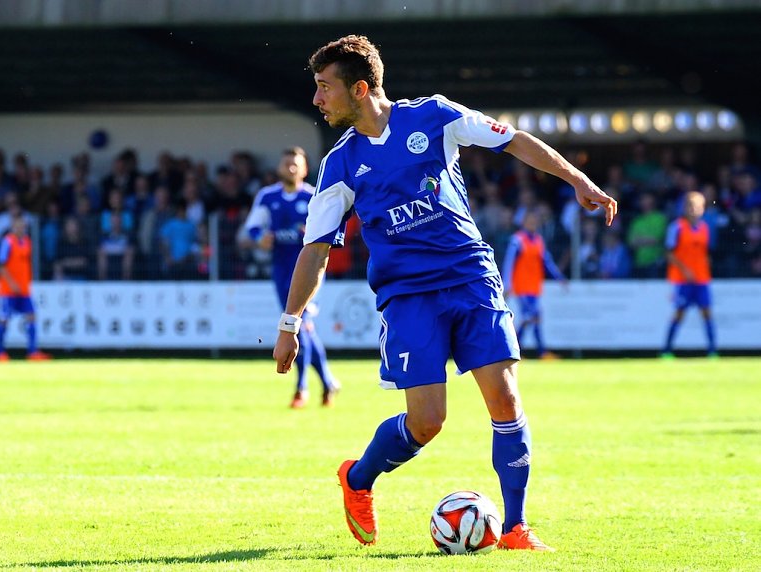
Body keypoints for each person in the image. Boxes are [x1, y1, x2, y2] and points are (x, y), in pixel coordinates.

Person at [272, 35, 616, 551]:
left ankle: (517, 527)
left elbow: (512, 139)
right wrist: (290, 323)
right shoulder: (339, 164)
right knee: (428, 422)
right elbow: (315, 248)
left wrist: (576, 178)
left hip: (471, 277)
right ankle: (358, 478)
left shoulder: (433, 116)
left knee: (504, 397)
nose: (317, 99)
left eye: (325, 88)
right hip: (409, 297)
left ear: (360, 89)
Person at [245, 147, 340, 408]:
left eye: (295, 164)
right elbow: (252, 227)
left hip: (309, 273)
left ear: (305, 169)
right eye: (286, 163)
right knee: (303, 328)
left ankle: (302, 388)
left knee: (299, 325)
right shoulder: (268, 196)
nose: (290, 168)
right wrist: (259, 238)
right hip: (281, 271)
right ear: (279, 168)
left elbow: (329, 228)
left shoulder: (313, 196)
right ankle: (328, 382)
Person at [502, 211, 567, 359]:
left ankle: (522, 352)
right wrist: (507, 283)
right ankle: (537, 352)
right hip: (522, 286)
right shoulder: (517, 240)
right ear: (523, 223)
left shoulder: (538, 240)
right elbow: (509, 263)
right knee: (532, 316)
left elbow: (547, 262)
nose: (532, 224)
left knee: (531, 318)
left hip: (534, 287)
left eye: (534, 222)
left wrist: (559, 278)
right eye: (530, 221)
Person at [661, 191, 716, 358]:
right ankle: (667, 350)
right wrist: (685, 270)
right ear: (685, 208)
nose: (694, 210)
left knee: (707, 313)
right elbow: (669, 253)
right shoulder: (676, 227)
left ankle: (712, 351)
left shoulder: (705, 228)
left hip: (701, 279)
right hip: (682, 280)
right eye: (691, 206)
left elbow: (704, 253)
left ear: (703, 209)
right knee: (679, 313)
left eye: (698, 207)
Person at [0, 216, 50, 361]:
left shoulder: (27, 242)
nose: (21, 229)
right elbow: (1, 266)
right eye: (18, 226)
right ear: (13, 227)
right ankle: (0, 352)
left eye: (23, 226)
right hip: (8, 290)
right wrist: (12, 283)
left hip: (24, 289)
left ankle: (32, 352)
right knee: (4, 318)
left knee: (31, 316)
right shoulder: (7, 242)